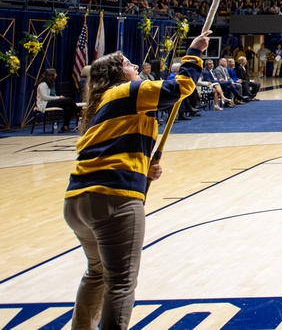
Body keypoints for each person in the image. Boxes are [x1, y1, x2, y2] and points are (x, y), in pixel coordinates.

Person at [64, 30, 208, 330]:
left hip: (77, 200)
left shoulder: (100, 104)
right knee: (121, 282)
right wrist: (193, 52)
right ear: (119, 73)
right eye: (130, 64)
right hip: (112, 198)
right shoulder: (128, 92)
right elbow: (180, 87)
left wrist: (143, 171)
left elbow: (112, 150)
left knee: (97, 273)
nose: (136, 68)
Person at [36, 68, 78, 132]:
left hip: (51, 101)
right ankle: (79, 112)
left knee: (68, 106)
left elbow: (53, 95)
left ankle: (65, 126)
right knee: (69, 100)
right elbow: (45, 97)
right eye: (55, 74)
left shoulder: (51, 84)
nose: (56, 75)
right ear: (51, 75)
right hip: (45, 104)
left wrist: (58, 98)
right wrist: (58, 98)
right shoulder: (43, 85)